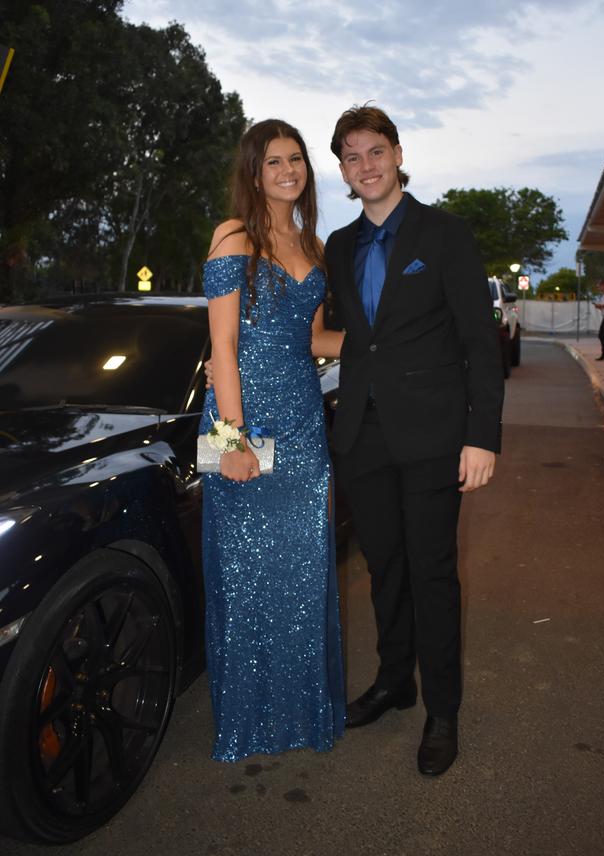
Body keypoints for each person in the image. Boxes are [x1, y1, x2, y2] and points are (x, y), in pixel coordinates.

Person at [324, 105, 504, 777]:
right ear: (341, 168)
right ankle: (395, 680)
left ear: (398, 154)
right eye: (351, 155)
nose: (365, 165)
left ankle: (443, 710)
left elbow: (478, 345)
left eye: (375, 151)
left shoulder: (446, 234)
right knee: (384, 568)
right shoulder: (339, 245)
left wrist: (482, 437)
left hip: (434, 435)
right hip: (362, 437)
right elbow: (353, 339)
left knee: (431, 573)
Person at [200, 119, 346, 762]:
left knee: (301, 575)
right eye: (273, 161)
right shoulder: (233, 237)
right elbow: (223, 346)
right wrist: (232, 440)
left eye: (297, 159)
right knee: (244, 575)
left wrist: (390, 342)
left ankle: (297, 715)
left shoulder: (314, 248)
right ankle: (247, 723)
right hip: (240, 424)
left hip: (304, 428)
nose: (288, 170)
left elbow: (313, 341)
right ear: (254, 172)